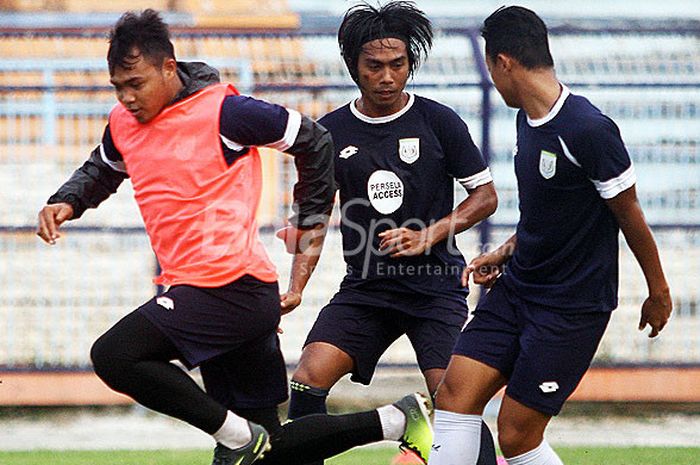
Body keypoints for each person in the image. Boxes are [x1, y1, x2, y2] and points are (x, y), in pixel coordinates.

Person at [35, 9, 436, 465]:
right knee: (270, 447)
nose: (127, 98)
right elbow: (103, 169)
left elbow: (313, 139)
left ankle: (234, 434)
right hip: (209, 295)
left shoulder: (224, 112)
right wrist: (67, 200)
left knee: (114, 356)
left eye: (136, 84)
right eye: (118, 87)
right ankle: (396, 420)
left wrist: (308, 220)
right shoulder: (124, 123)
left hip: (231, 289)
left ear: (169, 68)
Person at [428, 6, 673, 465]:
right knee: (455, 395)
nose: (493, 80)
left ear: (503, 62)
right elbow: (546, 215)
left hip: (571, 306)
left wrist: (658, 291)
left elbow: (631, 215)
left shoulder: (588, 129)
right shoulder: (527, 120)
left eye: (489, 68)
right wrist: (502, 252)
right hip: (517, 287)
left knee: (517, 435)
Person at [276, 2, 498, 464]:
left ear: (410, 63)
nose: (386, 76)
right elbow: (315, 220)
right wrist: (295, 287)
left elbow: (485, 197)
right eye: (373, 66)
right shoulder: (330, 133)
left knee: (455, 398)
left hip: (434, 288)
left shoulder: (438, 121)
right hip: (366, 289)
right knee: (308, 376)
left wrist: (429, 235)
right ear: (354, 66)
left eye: (397, 65)